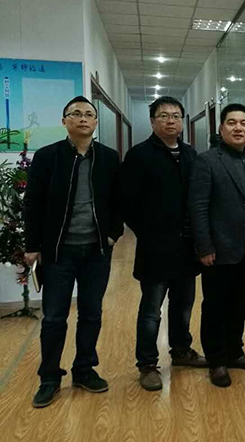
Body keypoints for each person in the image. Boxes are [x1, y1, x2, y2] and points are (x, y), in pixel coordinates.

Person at [24, 96, 123, 408]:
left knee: (91, 313)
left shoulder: (108, 157)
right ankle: (49, 377)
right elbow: (33, 202)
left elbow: (119, 199)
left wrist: (113, 234)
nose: (83, 119)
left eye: (88, 114)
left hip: (96, 251)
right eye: (76, 114)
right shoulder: (47, 157)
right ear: (64, 120)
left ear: (95, 122)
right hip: (59, 252)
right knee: (54, 317)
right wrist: (32, 246)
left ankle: (84, 370)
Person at [121, 96, 206, 392]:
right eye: (164, 116)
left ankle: (181, 351)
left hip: (187, 247)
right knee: (151, 310)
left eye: (176, 116)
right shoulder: (139, 155)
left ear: (182, 121)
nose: (171, 121)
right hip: (155, 248)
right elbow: (127, 204)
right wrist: (148, 233)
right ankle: (147, 364)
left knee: (183, 305)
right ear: (152, 121)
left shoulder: (191, 155)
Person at [188, 103, 245, 387]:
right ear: (221, 128)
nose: (238, 128)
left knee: (239, 304)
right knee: (215, 307)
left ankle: (235, 352)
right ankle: (217, 360)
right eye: (232, 123)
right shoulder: (207, 161)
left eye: (244, 123)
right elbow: (198, 207)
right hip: (219, 251)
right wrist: (204, 247)